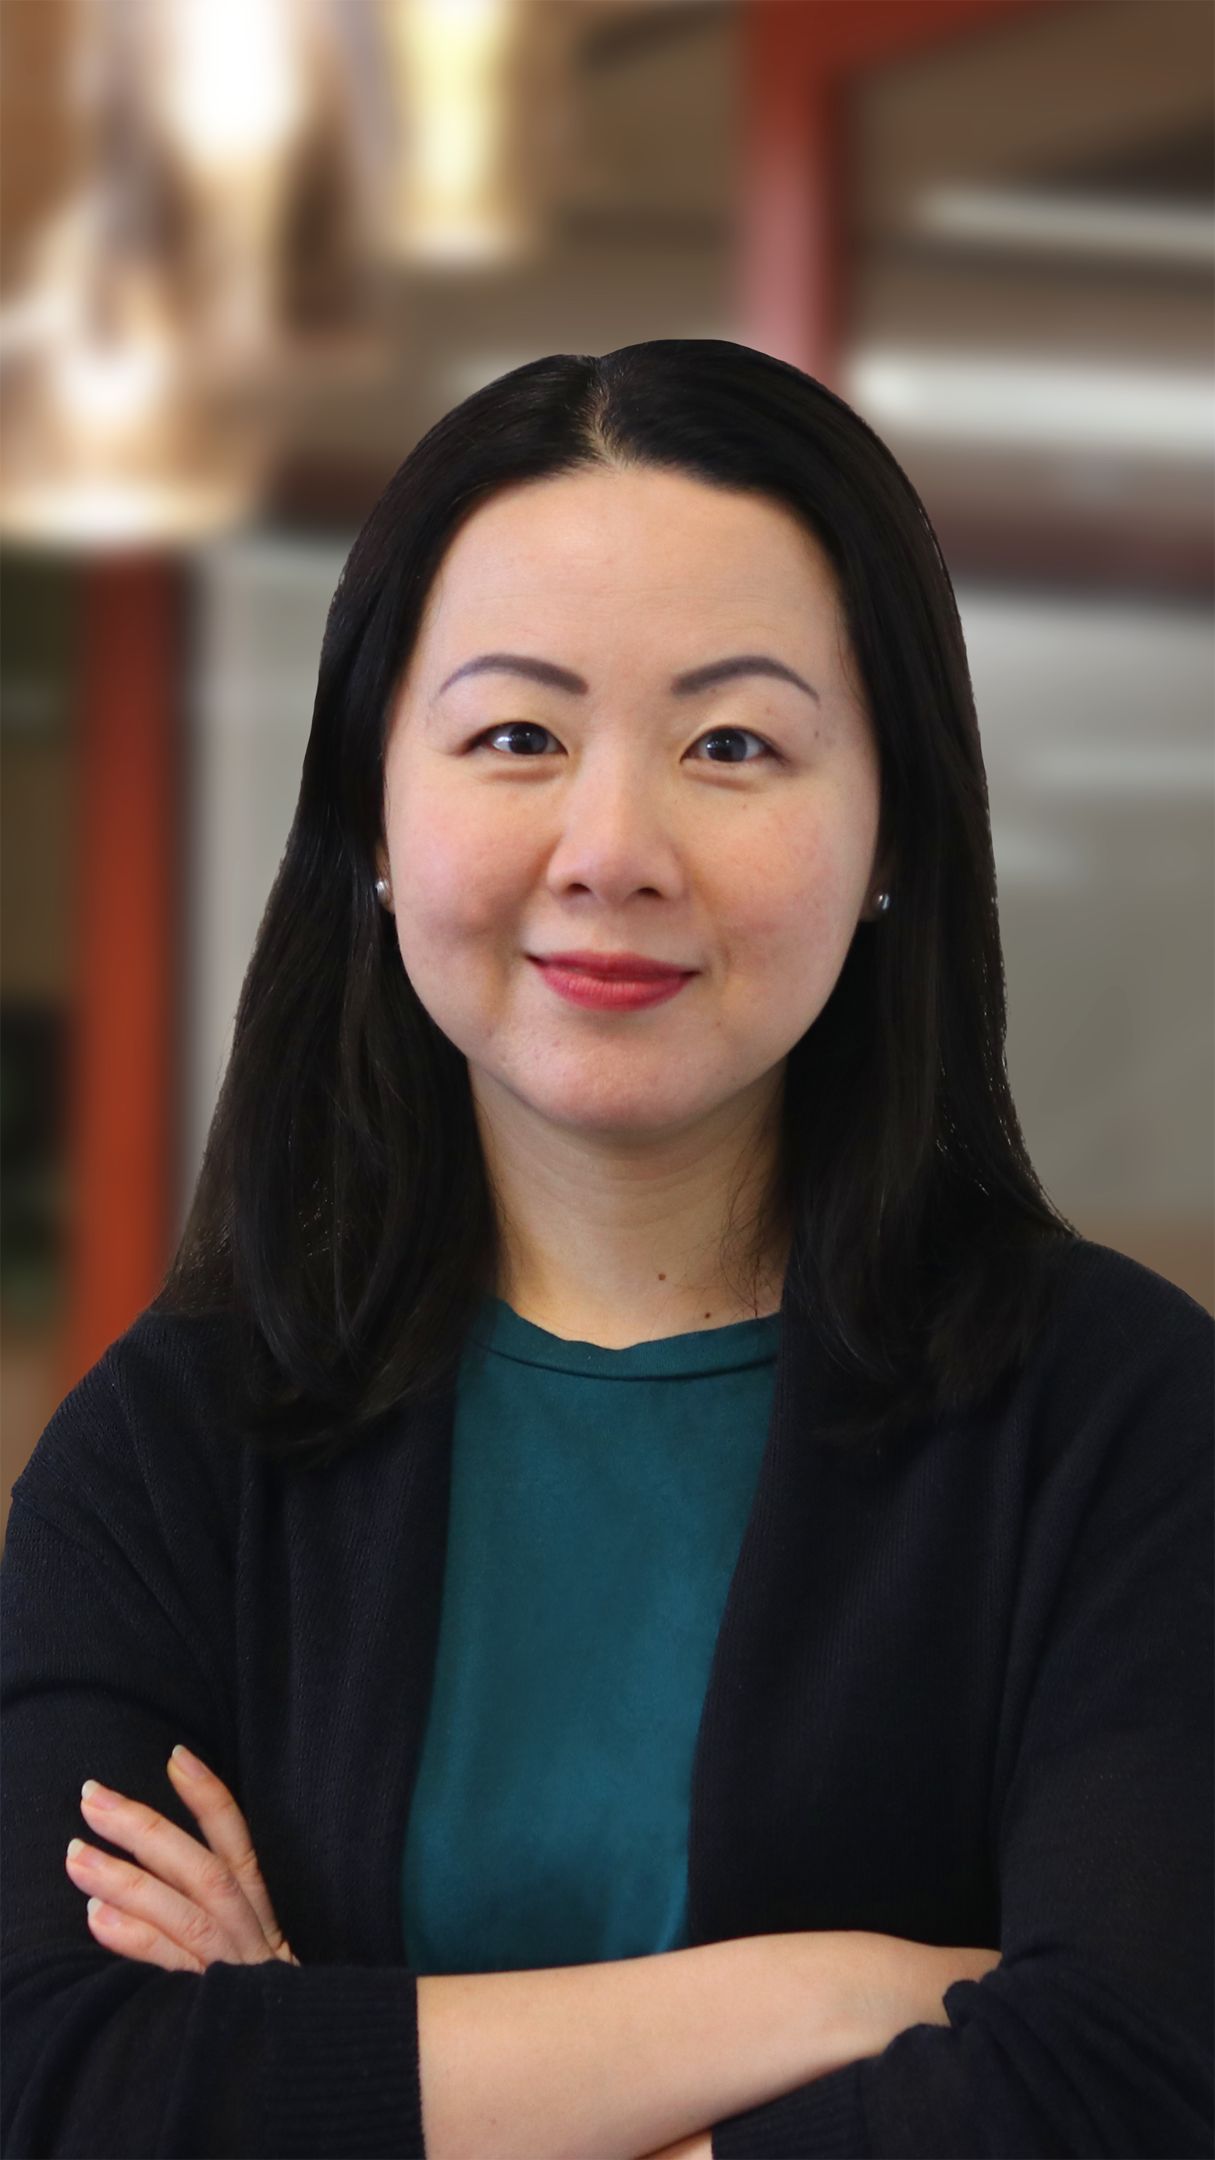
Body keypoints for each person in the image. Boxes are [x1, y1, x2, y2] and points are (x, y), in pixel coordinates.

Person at [2, 340, 1211, 2160]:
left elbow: (1127, 2083)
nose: (611, 847)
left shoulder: (1121, 1420)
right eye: (518, 736)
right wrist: (838, 2000)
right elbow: (64, 2086)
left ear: (892, 825)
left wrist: (317, 2066)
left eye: (733, 743)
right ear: (374, 815)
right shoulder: (175, 1445)